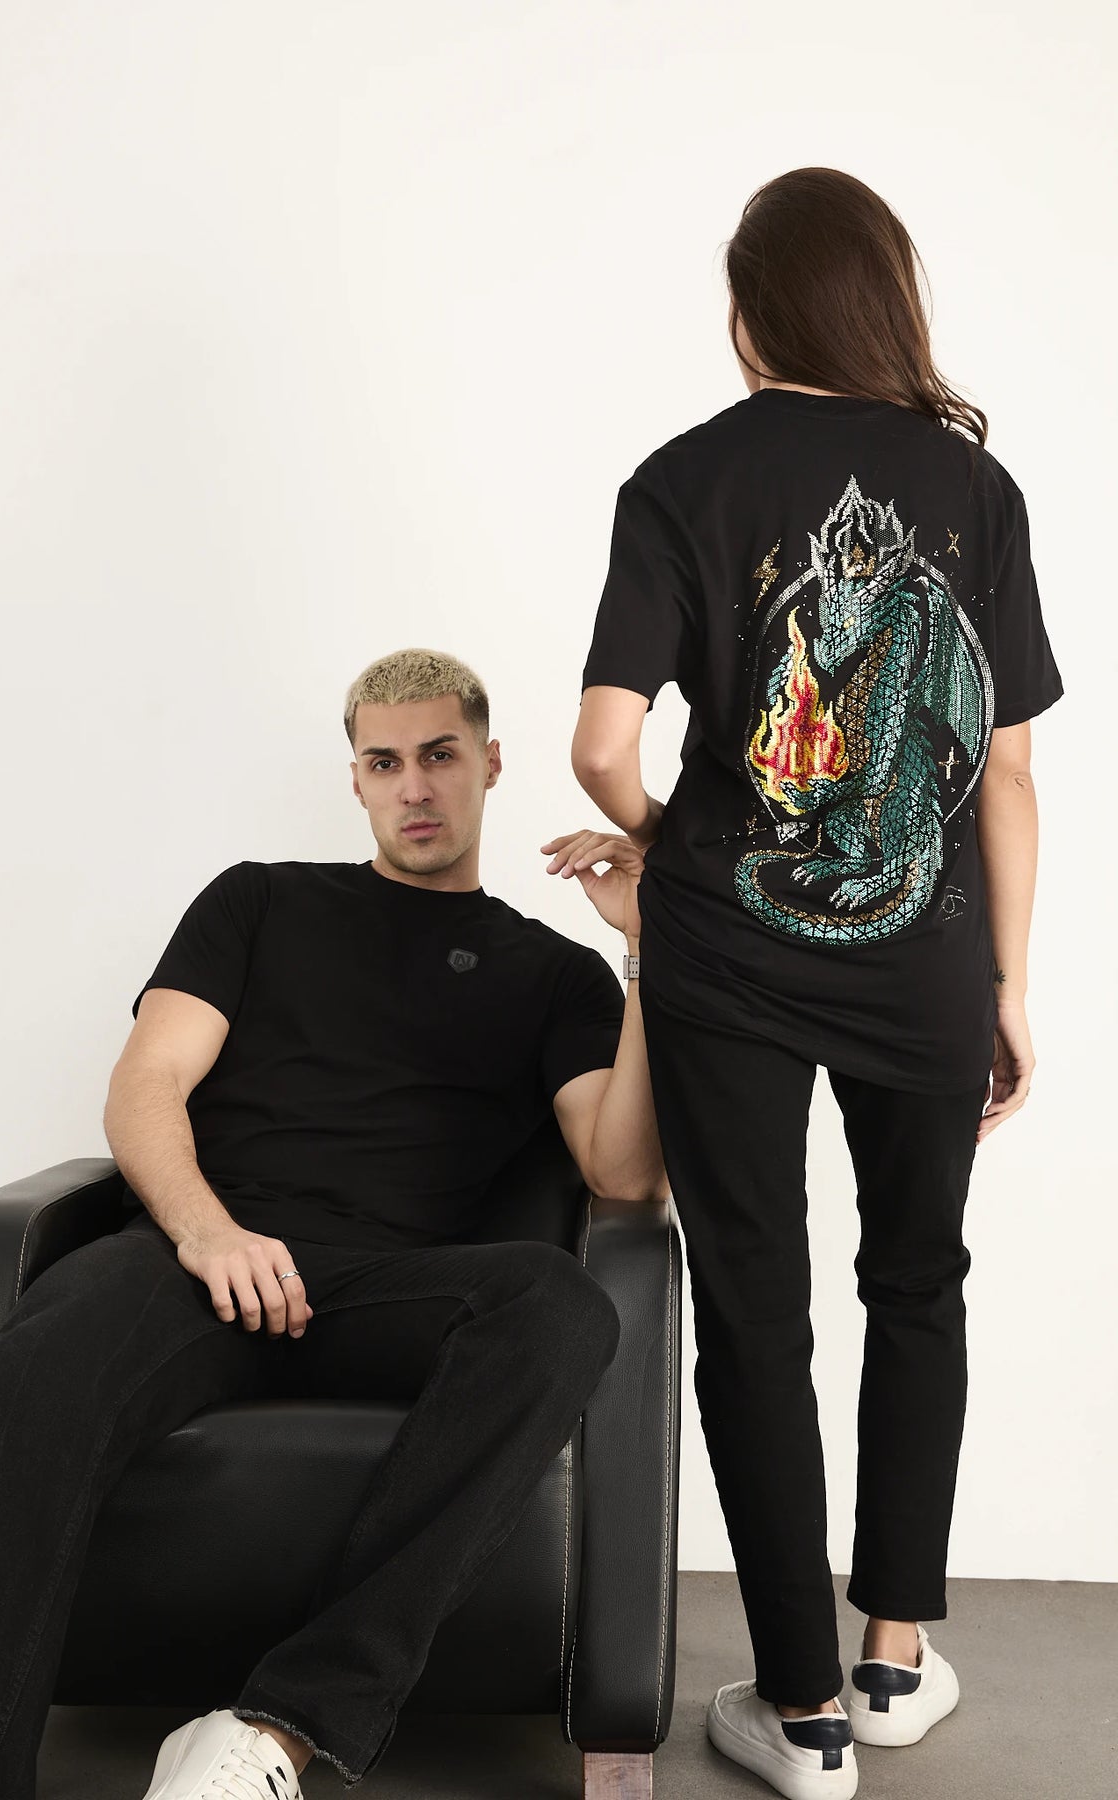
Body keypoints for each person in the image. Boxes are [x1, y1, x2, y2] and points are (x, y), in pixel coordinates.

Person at [0, 647, 669, 1800]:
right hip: (203, 1261)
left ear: (489, 763)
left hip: (390, 1289)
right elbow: (146, 1084)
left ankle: (278, 1727)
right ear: (356, 777)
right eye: (385, 762)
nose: (414, 786)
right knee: (40, 1361)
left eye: (439, 756)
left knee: (560, 1307)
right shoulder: (258, 902)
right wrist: (206, 1232)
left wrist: (650, 950)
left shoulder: (556, 975)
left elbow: (626, 1178)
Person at [573, 166, 1064, 1800]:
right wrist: (1005, 984)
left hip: (729, 956)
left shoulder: (679, 480)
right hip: (926, 958)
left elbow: (600, 745)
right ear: (882, 302)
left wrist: (682, 846)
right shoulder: (974, 487)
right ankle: (893, 1660)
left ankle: (803, 1719)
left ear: (748, 313)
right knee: (918, 1282)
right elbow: (1006, 771)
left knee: (755, 1311)